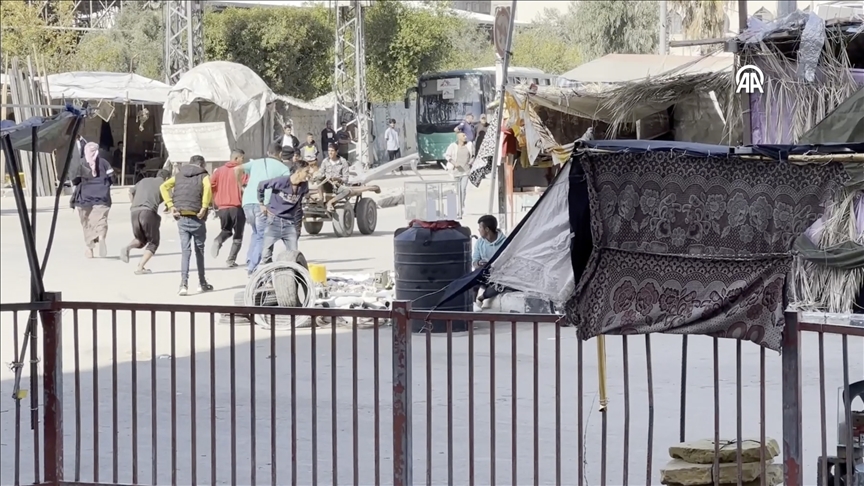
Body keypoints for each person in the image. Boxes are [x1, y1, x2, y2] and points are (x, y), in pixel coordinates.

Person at [160, 155, 214, 296]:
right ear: (201, 164)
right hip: (197, 216)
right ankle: (202, 283)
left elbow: (164, 186)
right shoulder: (204, 176)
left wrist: (170, 205)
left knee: (186, 252)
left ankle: (183, 284)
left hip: (182, 216)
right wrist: (204, 207)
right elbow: (208, 188)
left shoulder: (179, 175)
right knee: (199, 251)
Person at [235, 142, 291, 275]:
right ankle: (252, 266)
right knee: (263, 236)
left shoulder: (255, 162)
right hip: (263, 204)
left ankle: (250, 260)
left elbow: (236, 169)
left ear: (267, 152)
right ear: (280, 154)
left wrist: (241, 187)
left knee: (256, 233)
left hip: (247, 202)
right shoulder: (283, 168)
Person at [258, 160, 313, 263]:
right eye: (306, 171)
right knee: (266, 255)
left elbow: (299, 203)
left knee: (294, 255)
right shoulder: (281, 181)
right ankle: (267, 277)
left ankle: (291, 277)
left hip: (289, 223)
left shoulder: (304, 186)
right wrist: (261, 204)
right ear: (298, 172)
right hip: (273, 221)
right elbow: (261, 185)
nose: (308, 174)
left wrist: (298, 220)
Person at [120, 169, 170, 274]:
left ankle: (127, 247)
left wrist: (134, 203)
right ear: (167, 178)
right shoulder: (165, 184)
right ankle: (140, 267)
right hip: (148, 212)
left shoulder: (143, 180)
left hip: (134, 212)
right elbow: (169, 201)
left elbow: (130, 191)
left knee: (140, 239)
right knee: (154, 242)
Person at [71, 142, 114, 258]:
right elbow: (112, 178)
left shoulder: (81, 163)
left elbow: (75, 180)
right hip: (102, 197)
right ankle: (101, 237)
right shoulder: (104, 163)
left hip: (84, 198)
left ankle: (89, 249)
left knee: (87, 224)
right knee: (101, 220)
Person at [210, 149, 247, 267]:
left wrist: (214, 201)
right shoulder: (241, 171)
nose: (243, 161)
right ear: (236, 158)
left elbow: (211, 185)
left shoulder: (218, 171)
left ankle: (218, 241)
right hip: (236, 207)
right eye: (242, 158)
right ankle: (230, 260)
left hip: (222, 208)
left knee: (226, 230)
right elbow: (248, 184)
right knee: (238, 235)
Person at [444, 132, 474, 213]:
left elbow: (473, 156)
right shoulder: (453, 146)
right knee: (458, 191)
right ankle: (459, 206)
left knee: (463, 189)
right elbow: (447, 156)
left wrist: (470, 163)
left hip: (466, 171)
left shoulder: (469, 145)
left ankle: (460, 208)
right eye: (463, 136)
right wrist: (454, 163)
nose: (465, 137)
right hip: (456, 171)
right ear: (459, 137)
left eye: (465, 135)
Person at [318, 143, 352, 212]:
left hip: (337, 185)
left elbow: (346, 178)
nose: (330, 152)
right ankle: (321, 199)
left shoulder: (343, 162)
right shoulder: (325, 161)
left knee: (347, 191)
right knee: (319, 180)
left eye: (332, 151)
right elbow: (320, 173)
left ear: (336, 152)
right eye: (329, 150)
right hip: (326, 184)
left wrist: (338, 179)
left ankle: (330, 202)